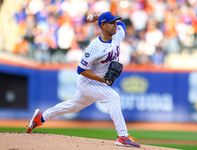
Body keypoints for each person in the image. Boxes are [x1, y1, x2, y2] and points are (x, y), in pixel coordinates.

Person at [26, 11, 141, 148]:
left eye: (115, 22)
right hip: (87, 82)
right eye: (111, 23)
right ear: (103, 26)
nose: (115, 25)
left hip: (98, 83)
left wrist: (98, 17)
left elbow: (122, 23)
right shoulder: (94, 47)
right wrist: (100, 79)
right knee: (113, 97)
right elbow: (80, 69)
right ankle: (122, 136)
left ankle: (41, 117)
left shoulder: (118, 34)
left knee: (74, 105)